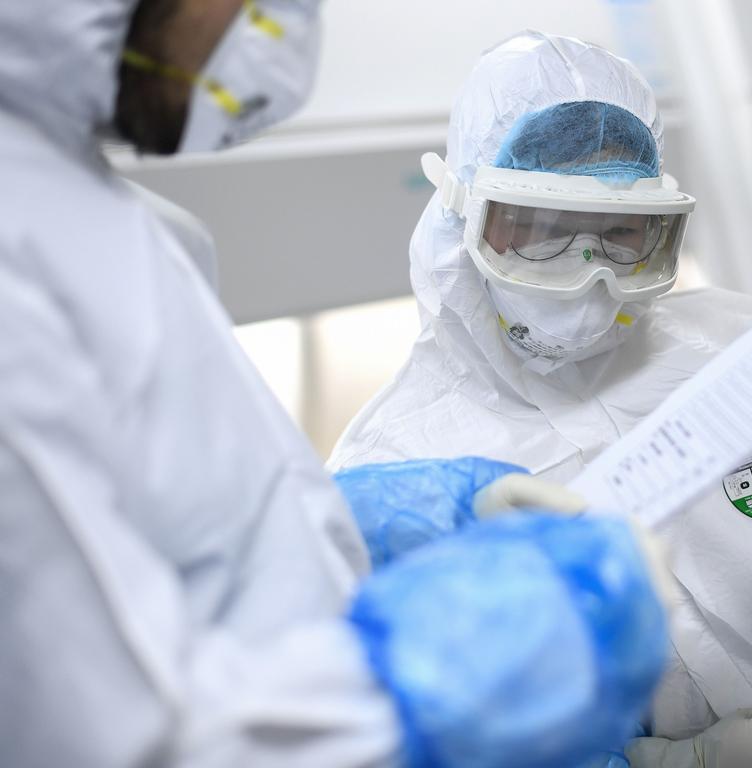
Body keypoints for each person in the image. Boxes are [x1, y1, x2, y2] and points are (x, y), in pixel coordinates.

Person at [0, 3, 674, 766]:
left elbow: (160, 526)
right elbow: (125, 738)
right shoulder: (20, 260)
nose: (282, 27)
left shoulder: (102, 214)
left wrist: (355, 521)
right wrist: (449, 679)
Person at [328, 31, 752, 767]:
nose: (590, 273)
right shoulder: (400, 471)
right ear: (465, 214)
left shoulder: (748, 346)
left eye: (623, 235)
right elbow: (435, 720)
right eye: (541, 231)